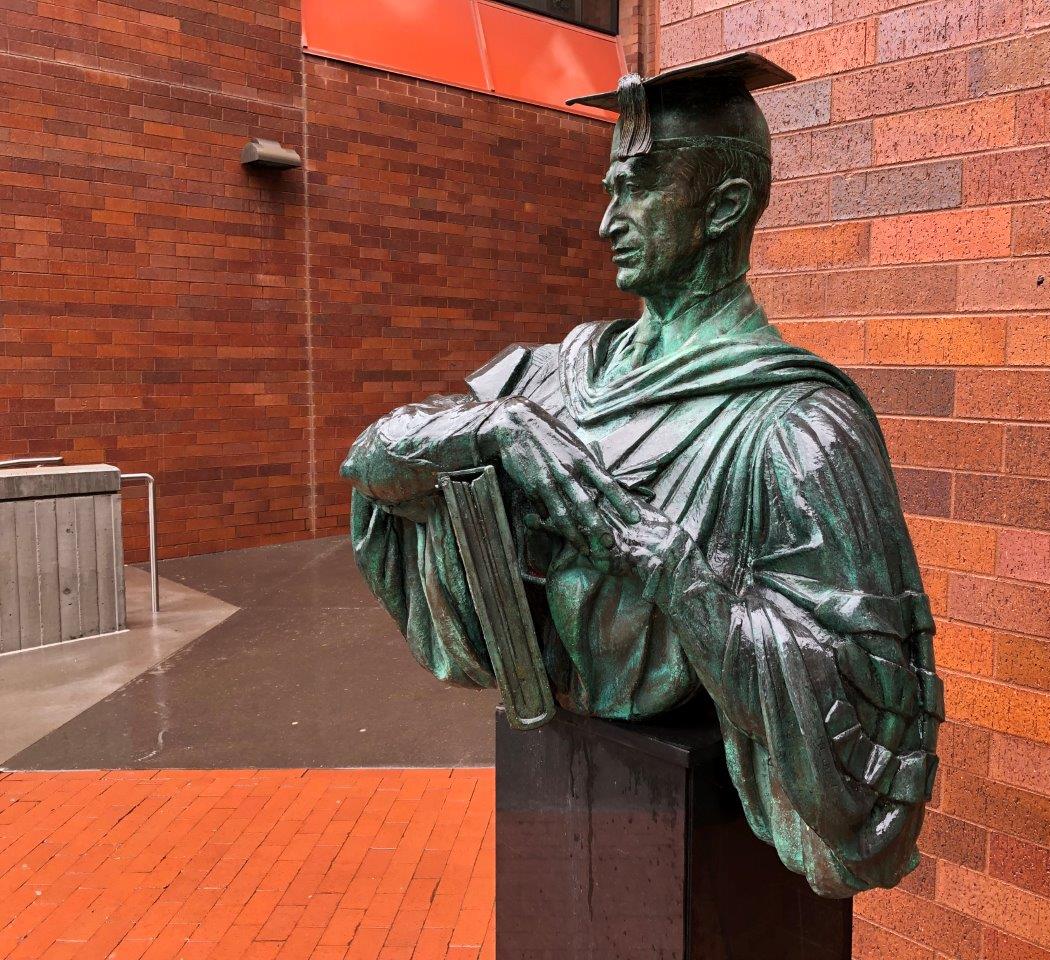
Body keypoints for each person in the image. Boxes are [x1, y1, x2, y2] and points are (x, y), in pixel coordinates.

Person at [341, 53, 942, 897]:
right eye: (608, 189)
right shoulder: (553, 376)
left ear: (724, 207)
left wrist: (654, 554)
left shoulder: (797, 427)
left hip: (699, 830)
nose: (605, 221)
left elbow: (866, 736)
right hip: (562, 762)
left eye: (639, 187)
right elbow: (369, 465)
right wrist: (499, 429)